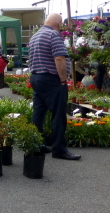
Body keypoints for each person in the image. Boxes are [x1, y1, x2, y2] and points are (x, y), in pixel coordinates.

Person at [28, 13, 80, 160]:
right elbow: (59, 58)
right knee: (58, 114)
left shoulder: (35, 36)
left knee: (38, 113)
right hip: (51, 79)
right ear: (58, 24)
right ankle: (59, 149)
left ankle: (35, 144)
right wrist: (63, 80)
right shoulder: (53, 35)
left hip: (37, 77)